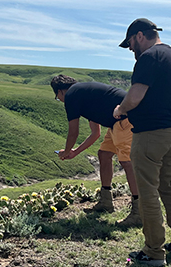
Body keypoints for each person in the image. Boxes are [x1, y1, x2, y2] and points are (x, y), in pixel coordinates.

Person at [113, 18, 171, 267]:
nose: (131, 50)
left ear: (138, 36)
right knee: (168, 186)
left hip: (149, 133)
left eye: (130, 45)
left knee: (147, 191)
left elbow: (135, 96)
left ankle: (154, 251)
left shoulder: (148, 58)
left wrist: (120, 109)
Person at [50, 75, 141, 226]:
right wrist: (74, 152)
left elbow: (73, 132)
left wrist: (65, 152)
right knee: (104, 154)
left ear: (61, 92)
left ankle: (139, 212)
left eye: (57, 97)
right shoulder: (86, 94)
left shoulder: (72, 95)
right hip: (116, 123)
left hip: (125, 121)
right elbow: (95, 133)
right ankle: (106, 201)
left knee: (127, 163)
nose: (60, 100)